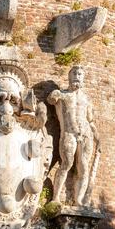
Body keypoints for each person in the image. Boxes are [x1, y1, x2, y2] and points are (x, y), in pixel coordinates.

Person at [47, 65, 100, 206]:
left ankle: (78, 200)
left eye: (80, 74)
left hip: (86, 134)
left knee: (83, 167)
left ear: (83, 78)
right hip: (69, 133)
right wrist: (54, 94)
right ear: (69, 76)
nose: (77, 76)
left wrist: (96, 135)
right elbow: (50, 100)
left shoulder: (86, 99)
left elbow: (91, 120)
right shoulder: (62, 94)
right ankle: (56, 198)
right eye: (74, 73)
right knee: (66, 163)